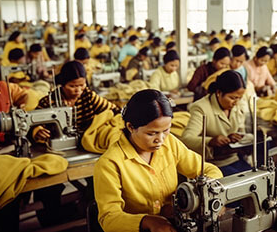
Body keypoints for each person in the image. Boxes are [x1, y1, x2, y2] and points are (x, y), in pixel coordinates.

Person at [94, 89, 222, 232]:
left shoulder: (170, 143)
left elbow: (209, 170)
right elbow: (109, 218)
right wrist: (146, 221)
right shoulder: (110, 164)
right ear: (130, 127)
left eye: (166, 130)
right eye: (152, 133)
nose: (160, 140)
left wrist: (211, 193)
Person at [182, 70, 251, 176]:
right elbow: (186, 139)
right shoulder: (201, 108)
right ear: (219, 93)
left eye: (239, 98)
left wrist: (237, 137)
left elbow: (242, 131)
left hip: (233, 158)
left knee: (253, 178)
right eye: (232, 98)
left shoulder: (238, 105)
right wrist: (211, 141)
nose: (236, 102)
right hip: (212, 163)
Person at [33, 61, 119, 142]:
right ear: (63, 84)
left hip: (87, 142)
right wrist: (37, 130)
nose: (78, 90)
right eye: (72, 86)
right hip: (56, 146)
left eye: (82, 85)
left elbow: (115, 110)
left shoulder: (89, 97)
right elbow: (32, 123)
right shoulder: (49, 101)